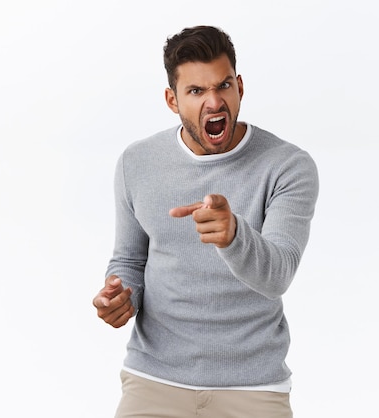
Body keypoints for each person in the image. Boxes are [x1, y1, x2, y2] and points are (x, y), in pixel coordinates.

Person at [92, 25, 319, 418]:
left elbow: (278, 274)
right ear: (171, 99)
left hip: (253, 387)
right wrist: (121, 296)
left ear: (240, 87)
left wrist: (233, 235)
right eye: (196, 91)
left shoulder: (287, 167)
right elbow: (129, 260)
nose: (214, 101)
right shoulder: (138, 163)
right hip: (154, 380)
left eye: (223, 85)